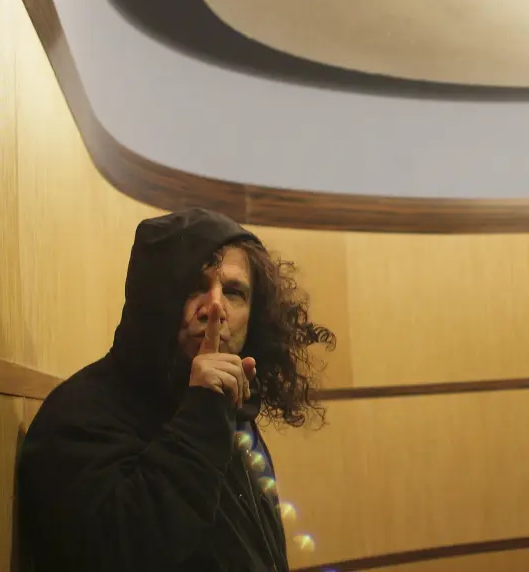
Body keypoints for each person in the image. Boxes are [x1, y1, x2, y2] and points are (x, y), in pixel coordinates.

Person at [18, 208, 335, 571]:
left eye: (234, 292)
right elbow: (118, 552)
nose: (214, 306)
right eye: (194, 287)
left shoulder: (229, 408)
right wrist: (200, 415)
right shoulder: (79, 414)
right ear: (153, 299)